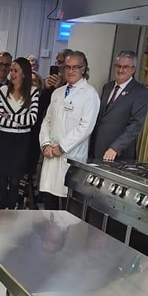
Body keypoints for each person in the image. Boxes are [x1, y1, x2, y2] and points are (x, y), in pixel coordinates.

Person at [37, 49, 98, 210]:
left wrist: (62, 146)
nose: (70, 71)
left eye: (75, 67)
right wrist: (45, 144)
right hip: (51, 157)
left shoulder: (90, 94)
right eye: (67, 67)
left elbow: (86, 127)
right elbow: (47, 121)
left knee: (67, 212)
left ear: (83, 69)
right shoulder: (57, 93)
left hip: (71, 157)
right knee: (49, 207)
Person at [0, 56, 39, 209]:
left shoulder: (33, 92)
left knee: (16, 180)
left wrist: (10, 116)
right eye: (11, 70)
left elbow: (32, 119)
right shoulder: (3, 91)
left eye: (15, 70)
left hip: (22, 142)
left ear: (24, 73)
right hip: (3, 140)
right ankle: (1, 209)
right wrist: (18, 121)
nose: (11, 74)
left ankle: (11, 211)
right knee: (1, 179)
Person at [90, 50, 148, 163]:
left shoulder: (140, 91)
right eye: (118, 66)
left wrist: (115, 148)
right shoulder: (107, 87)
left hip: (119, 155)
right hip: (97, 151)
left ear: (133, 69)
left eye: (126, 67)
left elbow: (135, 124)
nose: (121, 70)